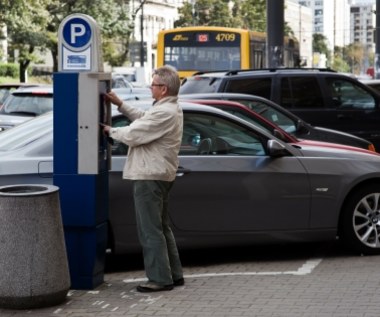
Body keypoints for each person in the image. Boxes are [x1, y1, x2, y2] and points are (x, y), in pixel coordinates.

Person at [101, 65, 184, 293]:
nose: (150, 87)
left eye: (153, 84)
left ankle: (159, 279)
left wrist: (110, 131)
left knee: (150, 229)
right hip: (161, 174)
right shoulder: (169, 108)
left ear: (163, 88)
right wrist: (120, 104)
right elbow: (143, 119)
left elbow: (134, 134)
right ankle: (174, 274)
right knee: (161, 227)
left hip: (150, 175)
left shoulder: (164, 112)